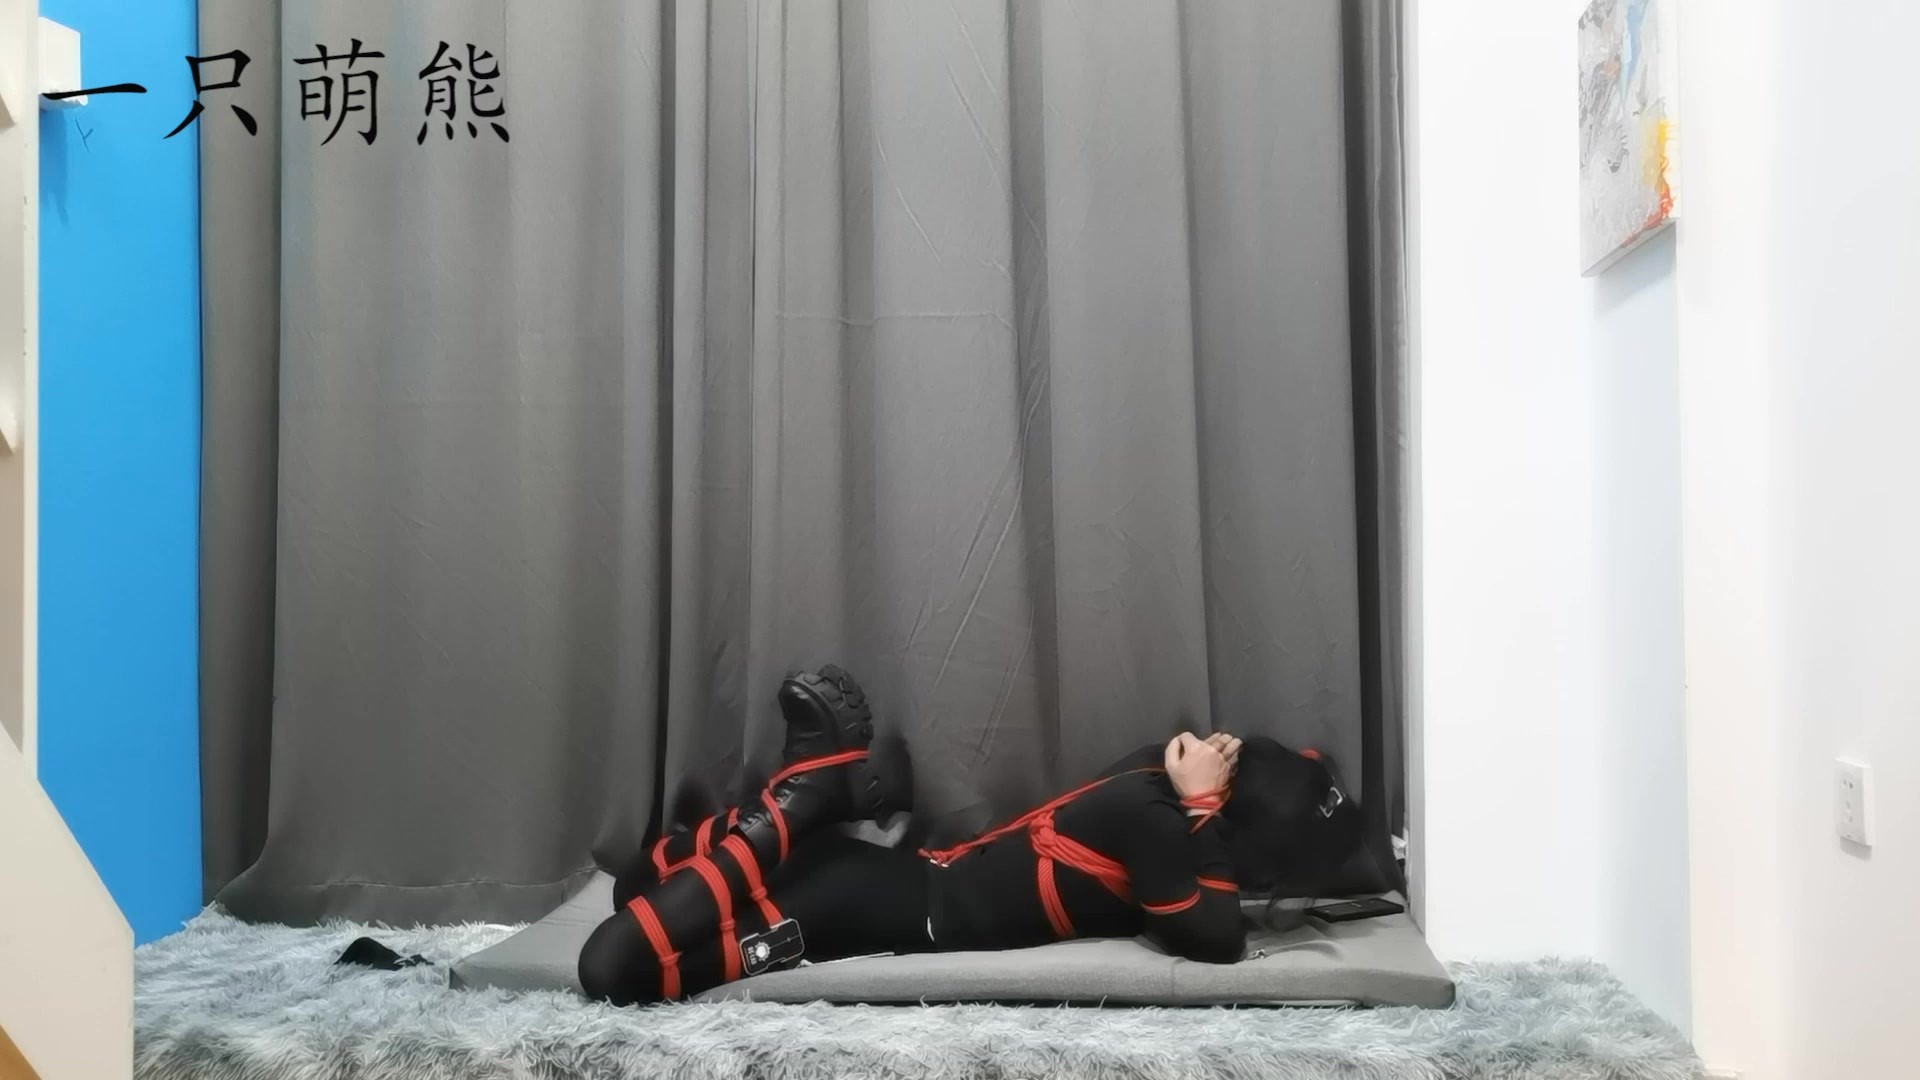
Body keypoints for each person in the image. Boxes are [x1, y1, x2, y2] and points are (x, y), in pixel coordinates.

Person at [578, 666, 1362, 1005]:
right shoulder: (1157, 820)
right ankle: (806, 799)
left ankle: (808, 803)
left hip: (874, 888)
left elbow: (1206, 907)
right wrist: (1204, 809)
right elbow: (1217, 935)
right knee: (615, 952)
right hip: (878, 901)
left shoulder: (1153, 786)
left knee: (632, 904)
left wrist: (1201, 804)